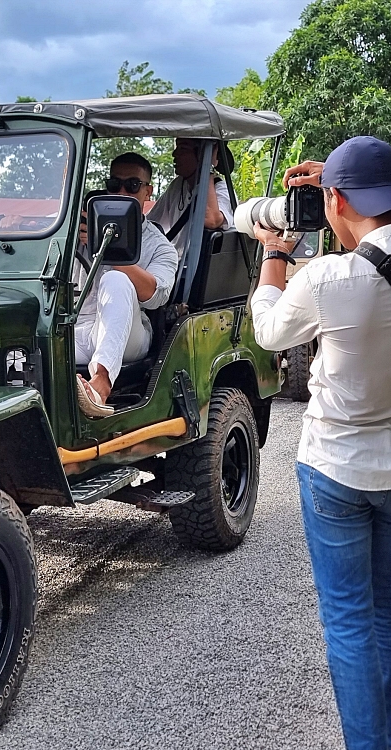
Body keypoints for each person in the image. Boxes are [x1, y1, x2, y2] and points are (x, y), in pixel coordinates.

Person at [250, 135, 391, 750]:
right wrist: (342, 184)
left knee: (349, 621)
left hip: (335, 469)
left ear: (334, 199)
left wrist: (275, 254)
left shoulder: (333, 277)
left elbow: (270, 332)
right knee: (386, 614)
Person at [74, 152, 178, 417]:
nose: (121, 192)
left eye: (131, 185)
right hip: (76, 328)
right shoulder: (81, 230)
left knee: (116, 279)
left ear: (147, 191)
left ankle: (101, 386)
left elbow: (156, 295)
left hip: (131, 334)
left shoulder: (160, 245)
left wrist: (106, 251)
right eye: (114, 185)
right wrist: (68, 234)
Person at [147, 138, 234, 257]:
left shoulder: (223, 190)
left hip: (199, 272)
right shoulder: (178, 186)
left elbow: (212, 220)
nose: (175, 154)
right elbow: (151, 223)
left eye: (183, 148)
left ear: (202, 153)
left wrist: (207, 165)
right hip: (175, 266)